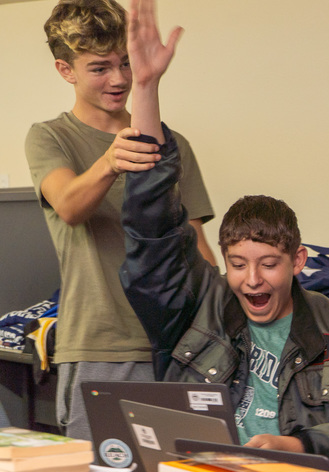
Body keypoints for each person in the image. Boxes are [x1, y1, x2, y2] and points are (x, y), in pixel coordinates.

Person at [118, 0, 329, 471]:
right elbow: (152, 229)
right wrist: (146, 87)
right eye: (237, 264)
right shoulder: (197, 307)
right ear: (222, 259)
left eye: (269, 263)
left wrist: (302, 445)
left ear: (298, 261)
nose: (252, 280)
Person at [25, 0, 218, 442]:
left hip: (176, 345)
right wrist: (110, 161)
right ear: (65, 70)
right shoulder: (50, 137)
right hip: (100, 344)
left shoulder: (172, 144)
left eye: (125, 64)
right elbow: (69, 205)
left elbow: (195, 244)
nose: (118, 79)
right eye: (99, 68)